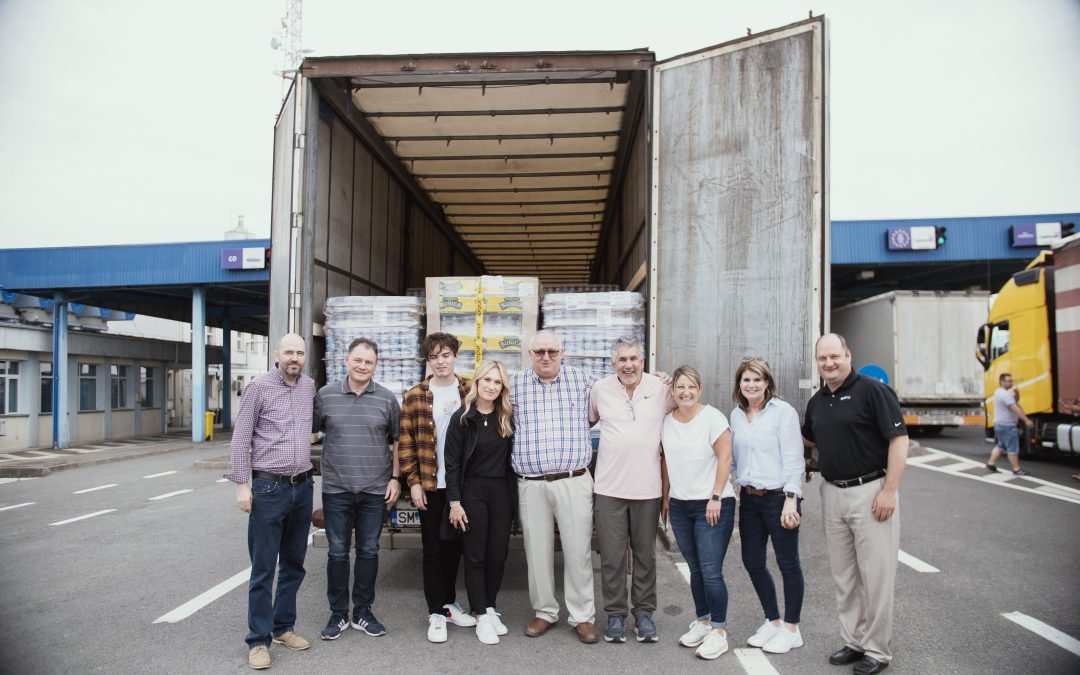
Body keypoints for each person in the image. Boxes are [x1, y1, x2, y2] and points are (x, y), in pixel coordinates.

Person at [802, 333, 909, 675]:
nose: (829, 363)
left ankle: (877, 650)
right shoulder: (817, 401)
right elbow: (808, 439)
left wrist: (889, 490)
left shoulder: (873, 392)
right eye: (822, 358)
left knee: (876, 577)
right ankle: (854, 641)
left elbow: (899, 440)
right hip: (832, 493)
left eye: (835, 356)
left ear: (848, 355)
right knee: (844, 577)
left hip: (871, 492)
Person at [226, 333, 317, 670]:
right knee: (263, 568)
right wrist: (242, 486)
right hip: (268, 488)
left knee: (294, 564)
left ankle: (283, 628)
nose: (295, 358)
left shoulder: (309, 387)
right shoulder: (258, 387)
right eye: (289, 352)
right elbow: (240, 439)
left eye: (300, 353)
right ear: (277, 354)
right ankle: (258, 640)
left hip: (302, 486)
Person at [510, 330, 599, 643]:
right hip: (531, 483)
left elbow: (621, 389)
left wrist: (658, 380)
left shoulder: (584, 382)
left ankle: (582, 616)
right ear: (530, 354)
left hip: (573, 480)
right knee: (536, 551)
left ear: (562, 352)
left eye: (552, 351)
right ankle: (545, 611)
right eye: (539, 352)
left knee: (578, 551)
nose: (545, 357)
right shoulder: (514, 385)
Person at [312, 338, 402, 641]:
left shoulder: (387, 399)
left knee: (368, 550)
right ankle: (338, 613)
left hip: (375, 489)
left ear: (376, 366)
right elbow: (309, 431)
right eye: (358, 360)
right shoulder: (325, 396)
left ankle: (363, 611)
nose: (363, 366)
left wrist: (395, 478)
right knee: (337, 552)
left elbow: (397, 441)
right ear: (346, 360)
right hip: (336, 488)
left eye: (369, 362)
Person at [589, 335, 674, 643]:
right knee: (611, 557)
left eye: (634, 359)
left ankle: (643, 615)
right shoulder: (600, 390)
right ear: (614, 363)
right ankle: (615, 615)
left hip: (648, 490)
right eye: (622, 359)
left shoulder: (661, 389)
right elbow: (586, 422)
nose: (628, 365)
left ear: (643, 361)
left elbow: (685, 411)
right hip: (609, 488)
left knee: (645, 556)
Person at [398, 333, 476, 643]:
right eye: (434, 357)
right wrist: (413, 482)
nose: (440, 362)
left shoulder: (469, 390)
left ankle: (449, 604)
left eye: (445, 355)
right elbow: (406, 443)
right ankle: (435, 612)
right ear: (428, 361)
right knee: (432, 548)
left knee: (454, 546)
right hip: (431, 483)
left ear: (455, 356)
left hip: (461, 485)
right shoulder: (415, 395)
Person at [729, 357, 805, 654]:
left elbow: (794, 458)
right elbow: (732, 459)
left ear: (767, 383)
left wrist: (792, 499)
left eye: (757, 380)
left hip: (779, 497)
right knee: (752, 561)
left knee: (788, 563)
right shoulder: (736, 415)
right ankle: (772, 621)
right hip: (750, 498)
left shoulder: (783, 412)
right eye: (746, 380)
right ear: (739, 384)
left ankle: (792, 629)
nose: (751, 385)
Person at [661, 365, 736, 661]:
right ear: (673, 390)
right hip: (680, 504)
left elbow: (725, 457)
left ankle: (719, 631)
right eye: (680, 387)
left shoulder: (713, 418)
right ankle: (703, 621)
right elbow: (666, 462)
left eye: (691, 386)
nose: (686, 392)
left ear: (700, 389)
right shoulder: (667, 421)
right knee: (694, 567)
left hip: (712, 503)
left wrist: (715, 496)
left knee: (711, 570)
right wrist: (666, 498)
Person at [445, 360, 517, 645]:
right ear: (477, 381)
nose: (491, 386)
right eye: (487, 379)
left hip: (501, 491)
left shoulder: (507, 416)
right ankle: (480, 615)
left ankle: (489, 607)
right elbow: (451, 464)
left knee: (498, 555)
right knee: (475, 555)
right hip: (473, 491)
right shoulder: (462, 418)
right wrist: (455, 502)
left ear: (503, 387)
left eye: (497, 382)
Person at [984, 373, 1035, 476]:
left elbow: (1014, 401)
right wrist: (1026, 420)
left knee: (1001, 445)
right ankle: (1016, 469)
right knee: (1013, 447)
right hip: (1007, 425)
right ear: (1002, 382)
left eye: (1012, 381)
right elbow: (1014, 407)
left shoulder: (999, 392)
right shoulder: (1004, 394)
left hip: (1000, 424)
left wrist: (1017, 393)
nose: (1011, 383)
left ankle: (991, 463)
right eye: (1009, 381)